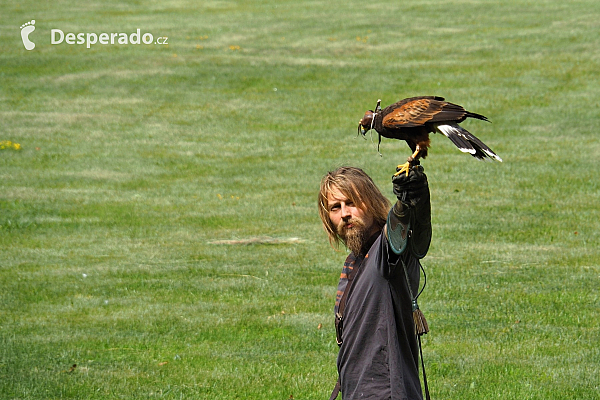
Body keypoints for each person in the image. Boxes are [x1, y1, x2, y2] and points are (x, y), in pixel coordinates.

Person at [318, 163, 432, 400]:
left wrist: (412, 202)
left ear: (371, 201)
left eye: (351, 202)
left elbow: (402, 232)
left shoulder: (386, 253)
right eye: (335, 207)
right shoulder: (355, 261)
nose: (344, 213)